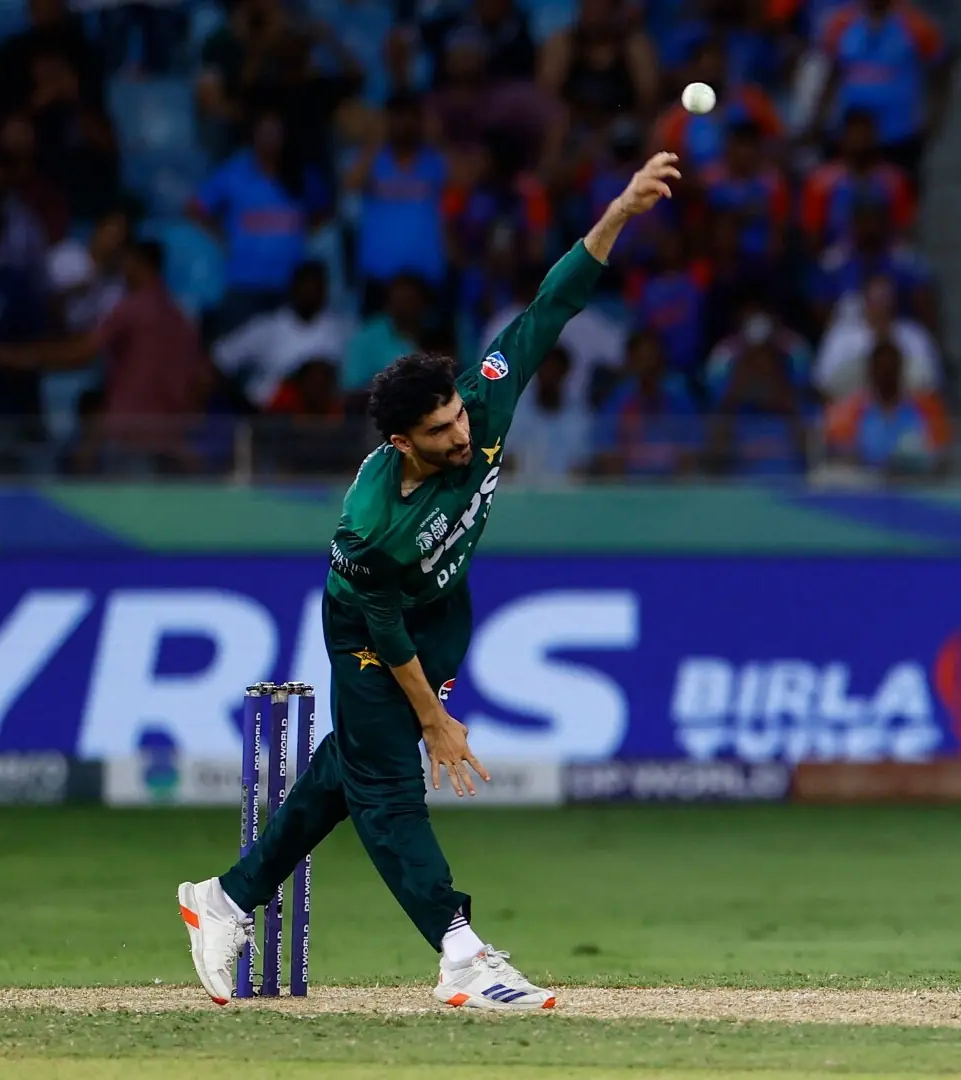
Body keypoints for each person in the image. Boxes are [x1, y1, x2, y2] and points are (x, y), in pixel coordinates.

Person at [176, 151, 683, 1012]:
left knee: (349, 771)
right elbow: (383, 628)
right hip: (374, 633)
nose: (464, 435)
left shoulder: (480, 402)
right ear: (403, 444)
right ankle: (461, 954)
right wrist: (436, 721)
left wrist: (622, 211)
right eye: (442, 431)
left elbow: (550, 305)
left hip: (445, 608)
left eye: (458, 415)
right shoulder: (370, 524)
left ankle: (222, 898)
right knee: (390, 790)